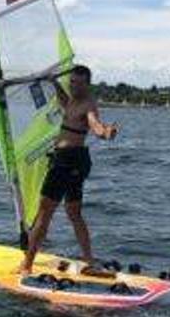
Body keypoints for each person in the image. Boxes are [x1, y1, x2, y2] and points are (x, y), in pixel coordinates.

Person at [18, 65, 119, 275]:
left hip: (67, 161)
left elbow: (95, 124)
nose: (74, 86)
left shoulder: (88, 104)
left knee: (44, 213)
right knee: (74, 213)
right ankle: (90, 263)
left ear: (87, 84)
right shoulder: (72, 100)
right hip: (77, 161)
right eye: (72, 82)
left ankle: (26, 265)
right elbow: (65, 103)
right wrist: (54, 82)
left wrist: (105, 132)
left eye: (79, 83)